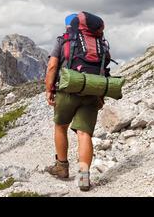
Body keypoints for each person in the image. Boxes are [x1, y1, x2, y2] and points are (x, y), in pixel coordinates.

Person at [45, 12, 109, 192]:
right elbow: (104, 68)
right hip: (92, 91)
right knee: (84, 133)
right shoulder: (100, 43)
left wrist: (49, 89)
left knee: (60, 126)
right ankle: (83, 176)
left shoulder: (64, 40)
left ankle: (62, 167)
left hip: (68, 90)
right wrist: (100, 95)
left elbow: (52, 66)